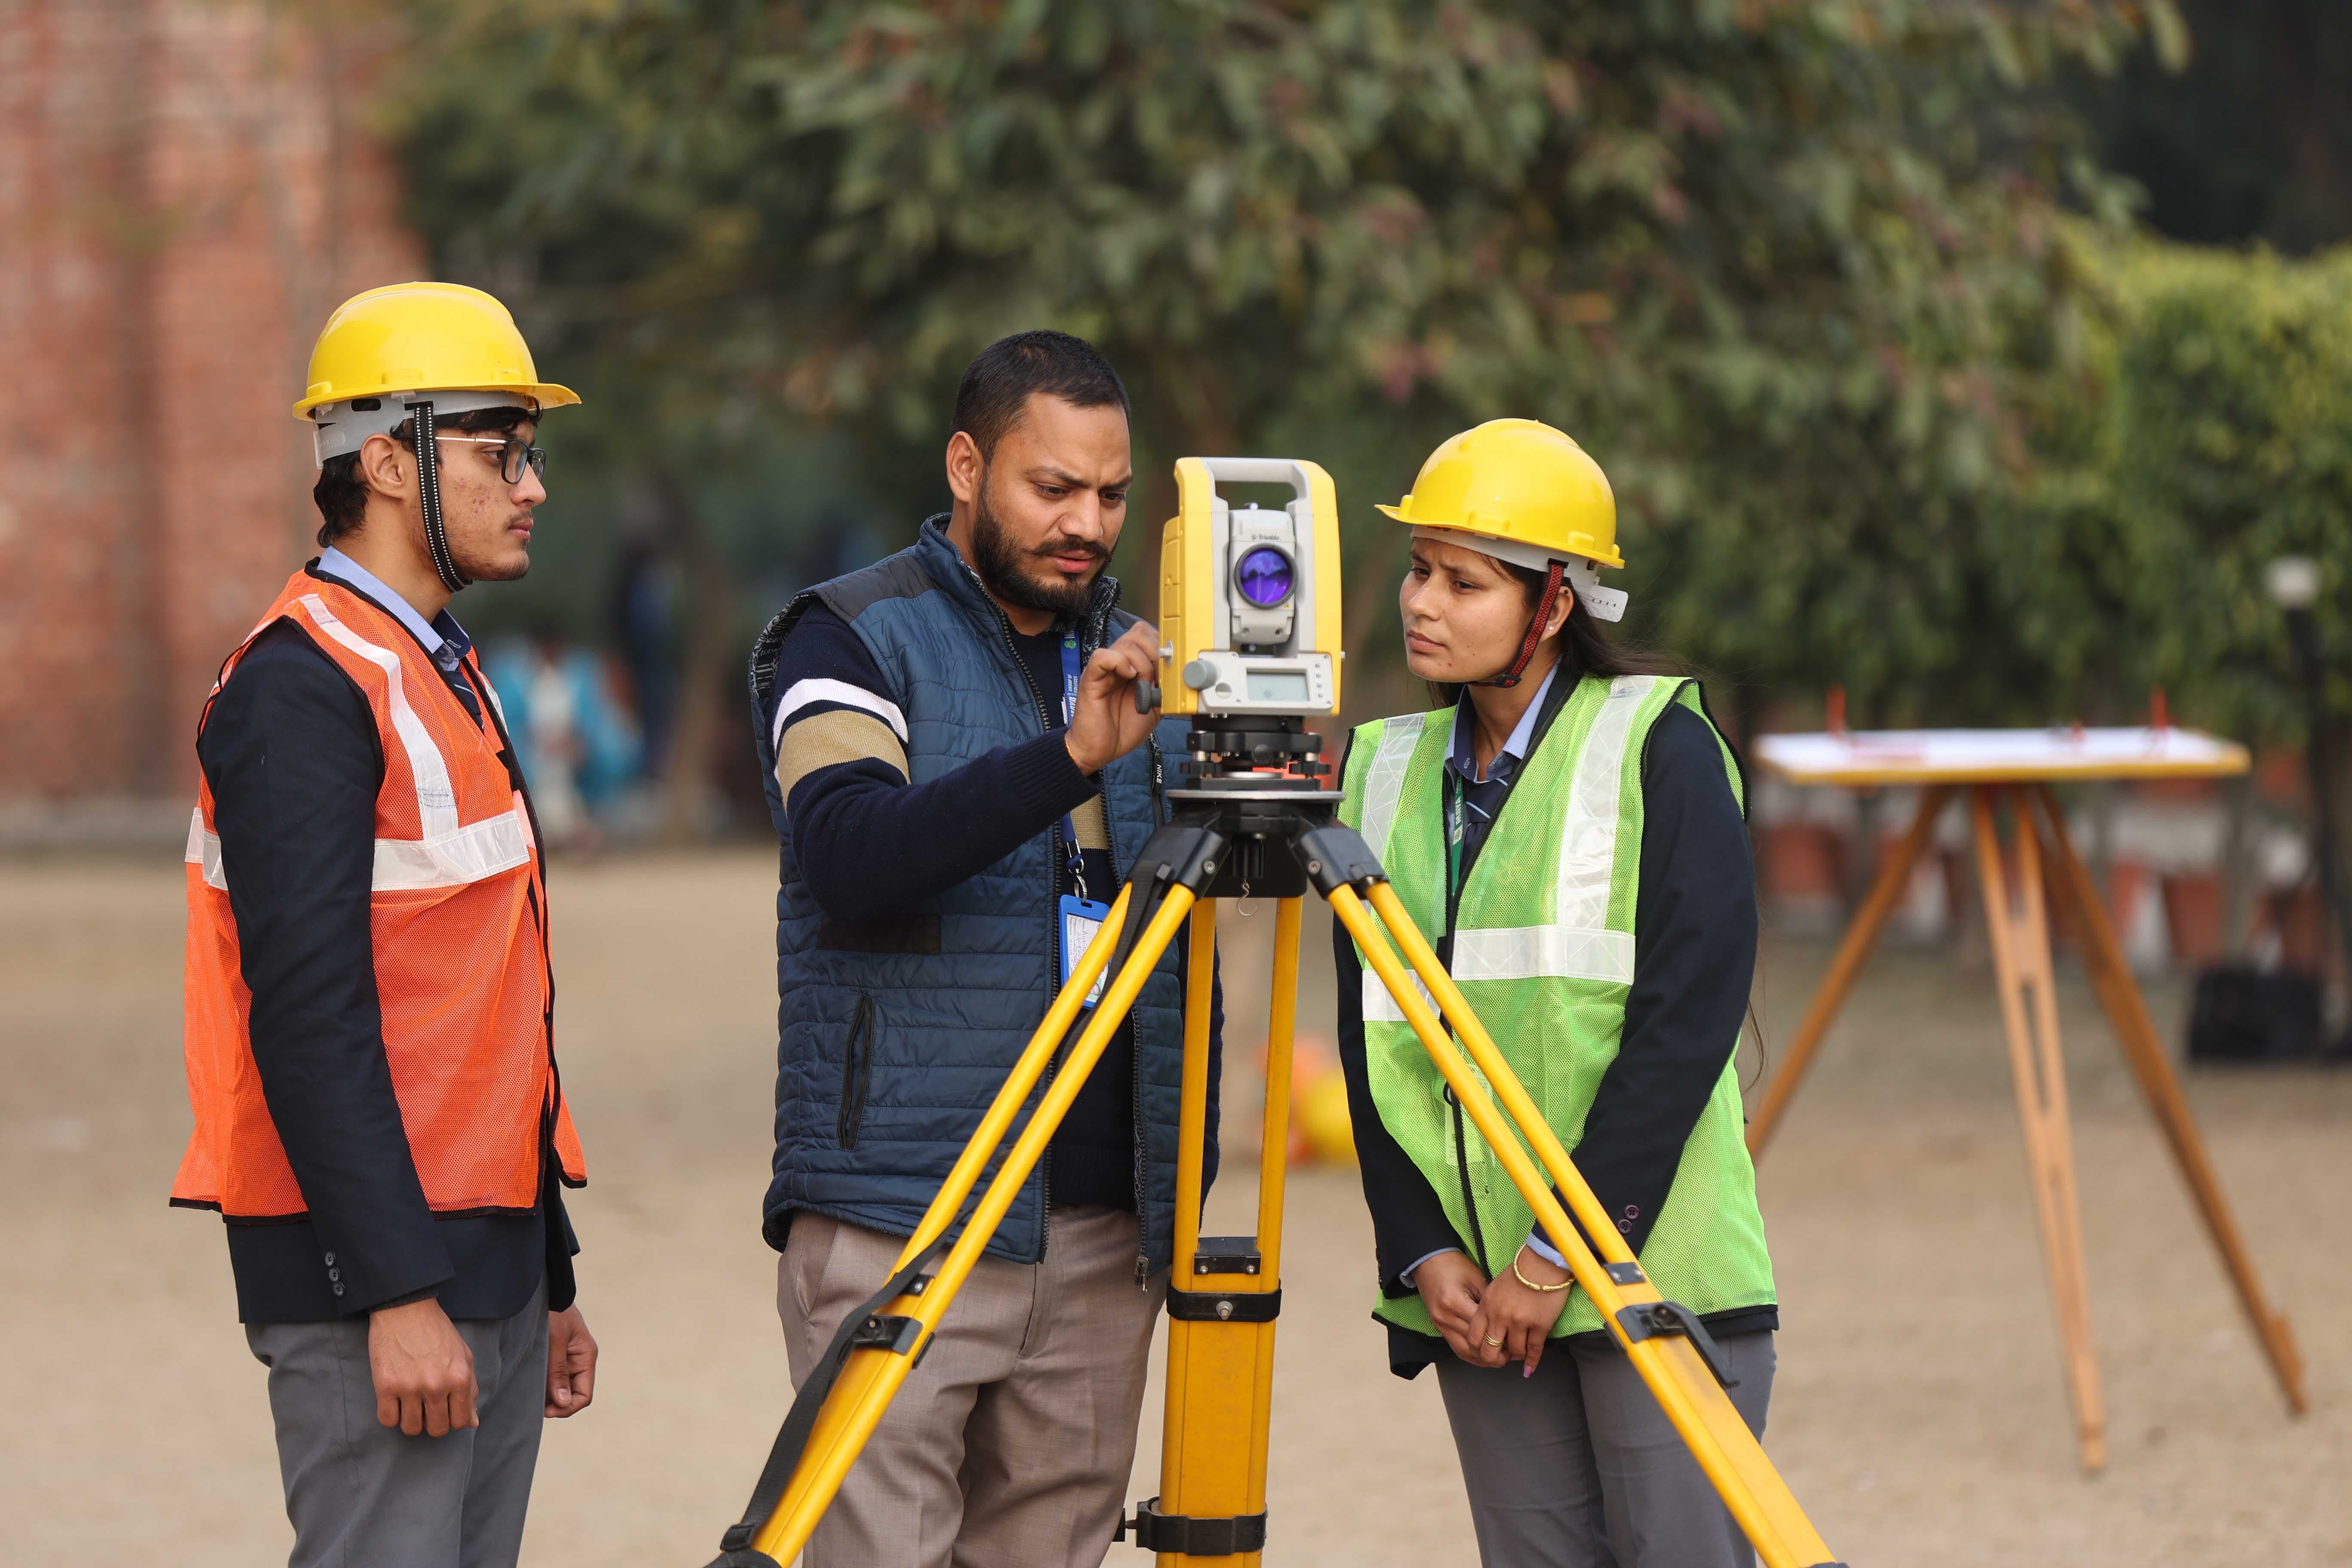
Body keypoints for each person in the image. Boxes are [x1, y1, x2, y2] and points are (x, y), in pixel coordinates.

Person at [747, 329, 1219, 1568]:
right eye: (1051, 487)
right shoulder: (847, 636)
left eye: (1114, 494)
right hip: (905, 1216)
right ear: (967, 465)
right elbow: (848, 855)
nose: (1088, 522)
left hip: (1103, 1238)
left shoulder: (1151, 670)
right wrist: (1063, 760)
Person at [175, 282, 597, 1568]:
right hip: (381, 1280)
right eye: (499, 452)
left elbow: (490, 1003)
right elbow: (308, 1019)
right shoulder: (301, 689)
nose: (532, 487)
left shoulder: (438, 666)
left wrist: (552, 1274)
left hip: (488, 1262)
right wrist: (396, 1292)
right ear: (388, 463)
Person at [1334, 419, 1778, 1568]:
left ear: (1555, 605)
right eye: (1419, 569)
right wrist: (1422, 1250)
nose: (1422, 601)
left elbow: (1684, 1031)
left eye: (1462, 580)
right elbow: (1372, 1037)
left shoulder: (1661, 747)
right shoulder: (1378, 772)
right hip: (1478, 1300)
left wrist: (1555, 1259)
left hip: (1649, 1275)